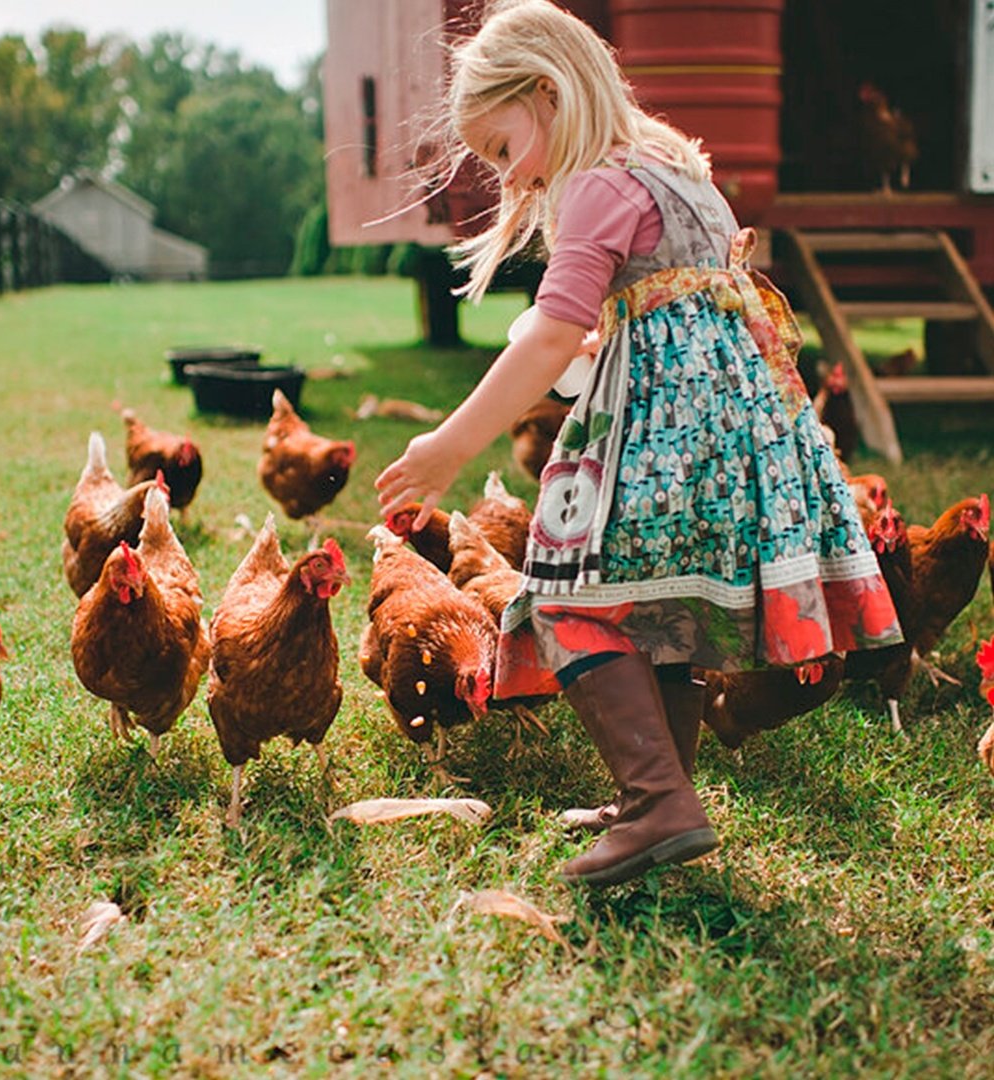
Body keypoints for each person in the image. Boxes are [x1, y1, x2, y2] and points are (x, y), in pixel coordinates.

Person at [376, 0, 904, 888]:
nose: (511, 177)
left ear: (547, 93)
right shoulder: (674, 165)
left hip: (662, 434)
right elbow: (680, 297)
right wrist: (607, 335)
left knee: (568, 597)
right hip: (736, 432)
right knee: (662, 609)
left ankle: (659, 800)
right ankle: (660, 801)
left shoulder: (594, 183)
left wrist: (449, 444)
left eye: (506, 148)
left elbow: (549, 334)